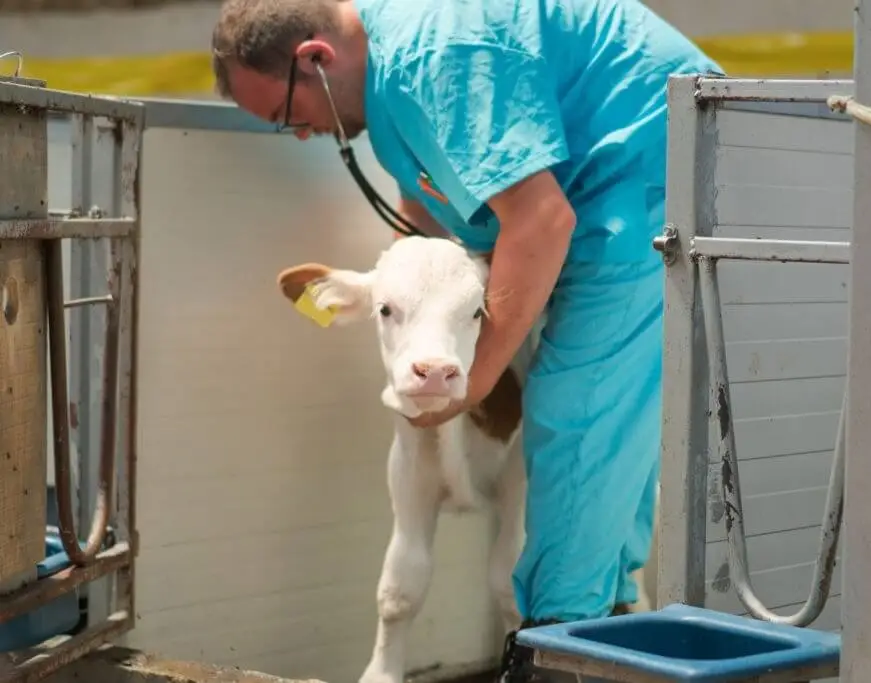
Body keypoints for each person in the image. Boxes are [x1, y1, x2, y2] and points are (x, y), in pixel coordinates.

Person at [210, 0, 722, 679]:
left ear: (315, 60)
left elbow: (538, 220)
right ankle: (616, 614)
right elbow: (426, 220)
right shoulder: (387, 95)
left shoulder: (433, 59)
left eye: (285, 115)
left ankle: (558, 650)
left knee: (576, 412)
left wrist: (473, 380)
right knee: (609, 433)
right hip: (610, 198)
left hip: (649, 181)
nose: (300, 135)